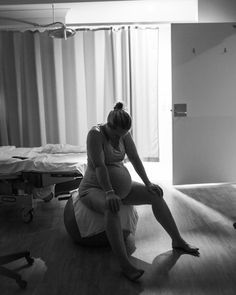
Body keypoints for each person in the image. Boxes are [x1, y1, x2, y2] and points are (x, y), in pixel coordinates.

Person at [64, 101, 199, 282]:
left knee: (156, 196)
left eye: (123, 135)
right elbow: (100, 166)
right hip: (94, 188)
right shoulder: (95, 134)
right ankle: (125, 264)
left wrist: (148, 183)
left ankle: (178, 241)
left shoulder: (123, 134)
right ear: (109, 125)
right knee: (112, 208)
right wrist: (110, 192)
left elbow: (134, 157)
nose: (118, 138)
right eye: (116, 134)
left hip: (119, 188)